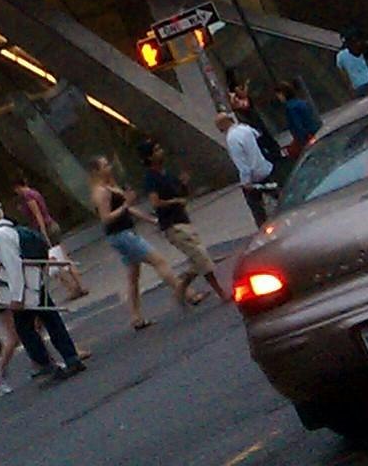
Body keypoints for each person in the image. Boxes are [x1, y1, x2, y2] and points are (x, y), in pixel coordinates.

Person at [0, 198, 84, 392]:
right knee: (51, 320)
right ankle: (69, 357)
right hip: (34, 280)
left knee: (25, 328)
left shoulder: (1, 235)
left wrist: (17, 297)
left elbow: (13, 265)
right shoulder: (11, 229)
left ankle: (47, 363)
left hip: (24, 287)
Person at [87, 155, 193, 326]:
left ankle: (136, 317)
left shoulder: (110, 186)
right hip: (121, 235)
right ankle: (186, 292)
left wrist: (150, 219)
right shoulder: (101, 192)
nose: (109, 168)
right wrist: (125, 205)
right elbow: (106, 218)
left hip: (125, 233)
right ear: (96, 171)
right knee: (158, 261)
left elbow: (129, 209)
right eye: (105, 166)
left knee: (133, 275)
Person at [138, 142, 218, 302]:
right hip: (172, 224)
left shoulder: (167, 173)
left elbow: (182, 194)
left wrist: (184, 185)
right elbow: (155, 202)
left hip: (183, 219)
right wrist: (175, 201)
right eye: (156, 150)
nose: (161, 151)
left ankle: (182, 287)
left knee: (199, 258)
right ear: (149, 157)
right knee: (201, 257)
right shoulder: (151, 178)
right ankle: (218, 291)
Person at [220, 108, 279, 225]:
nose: (219, 129)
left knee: (257, 207)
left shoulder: (231, 138)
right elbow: (257, 134)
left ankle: (264, 226)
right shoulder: (245, 128)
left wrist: (245, 182)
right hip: (264, 168)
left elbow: (241, 163)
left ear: (224, 124)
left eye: (219, 126)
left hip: (253, 176)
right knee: (276, 194)